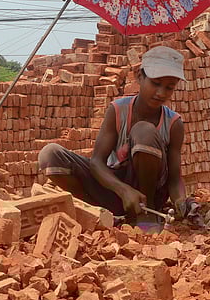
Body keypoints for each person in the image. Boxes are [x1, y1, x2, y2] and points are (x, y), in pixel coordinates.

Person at [38, 45, 190, 223]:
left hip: (151, 197)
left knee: (144, 131)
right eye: (156, 84)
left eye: (169, 88)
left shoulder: (174, 123)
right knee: (50, 155)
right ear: (139, 77)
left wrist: (182, 202)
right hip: (115, 190)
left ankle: (145, 216)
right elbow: (96, 162)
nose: (161, 93)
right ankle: (101, 213)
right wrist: (123, 190)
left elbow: (174, 177)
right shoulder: (117, 110)